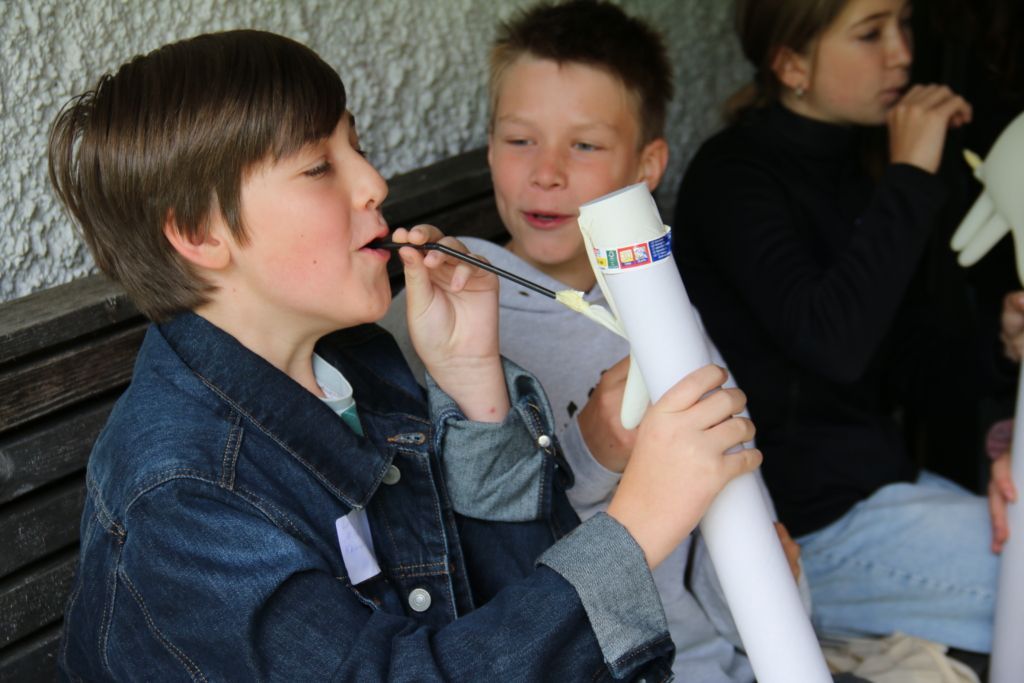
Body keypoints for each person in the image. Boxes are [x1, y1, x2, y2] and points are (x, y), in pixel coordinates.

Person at [47, 29, 764, 681]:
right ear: (202, 233)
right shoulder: (183, 501)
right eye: (319, 166)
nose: (374, 184)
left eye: (355, 146)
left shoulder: (356, 367)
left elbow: (485, 606)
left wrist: (474, 385)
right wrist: (637, 525)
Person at [381, 3, 805, 681]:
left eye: (584, 145)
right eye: (520, 140)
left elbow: (733, 505)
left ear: (647, 166)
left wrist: (772, 594)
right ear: (489, 147)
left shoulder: (661, 303)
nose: (546, 172)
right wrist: (593, 451)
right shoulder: (447, 307)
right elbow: (471, 554)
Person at [672, 0, 1024, 654]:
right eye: (870, 33)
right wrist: (911, 176)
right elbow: (831, 343)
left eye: (905, 25)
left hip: (880, 493)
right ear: (790, 62)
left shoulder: (864, 167)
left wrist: (1000, 347)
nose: (902, 53)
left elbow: (911, 373)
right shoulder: (733, 177)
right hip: (802, 531)